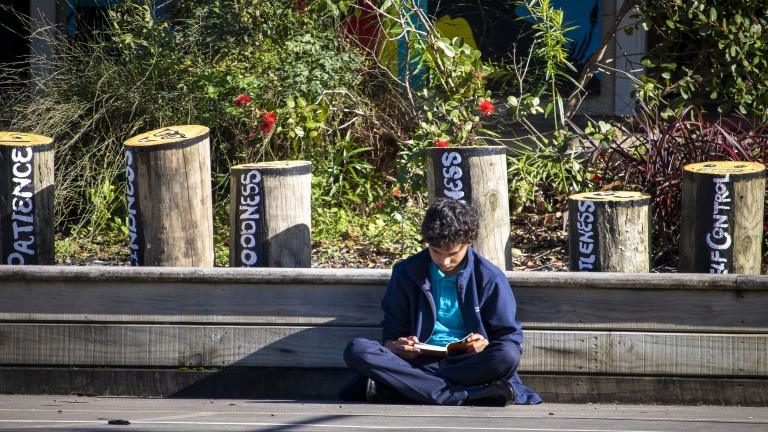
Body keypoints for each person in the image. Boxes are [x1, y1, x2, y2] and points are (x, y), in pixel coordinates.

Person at [340, 198, 541, 406]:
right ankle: (463, 395)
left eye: (453, 254)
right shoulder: (406, 272)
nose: (444, 261)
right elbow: (391, 334)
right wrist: (397, 345)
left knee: (506, 355)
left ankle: (409, 390)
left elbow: (509, 340)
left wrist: (484, 345)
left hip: (466, 365)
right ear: (427, 243)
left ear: (469, 242)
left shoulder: (489, 277)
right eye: (436, 251)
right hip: (416, 363)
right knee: (357, 350)